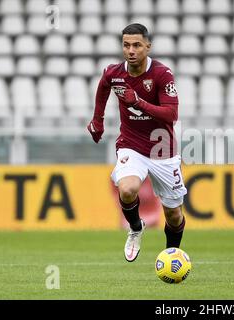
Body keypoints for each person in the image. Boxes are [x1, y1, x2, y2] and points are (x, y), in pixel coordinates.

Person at [87, 23, 187, 262]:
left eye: (136, 45)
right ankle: (135, 227)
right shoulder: (115, 73)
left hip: (162, 150)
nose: (130, 50)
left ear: (147, 47)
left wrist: (138, 102)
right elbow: (103, 86)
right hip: (131, 144)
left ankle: (170, 256)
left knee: (173, 215)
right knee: (127, 188)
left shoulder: (162, 74)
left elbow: (171, 115)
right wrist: (97, 120)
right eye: (126, 45)